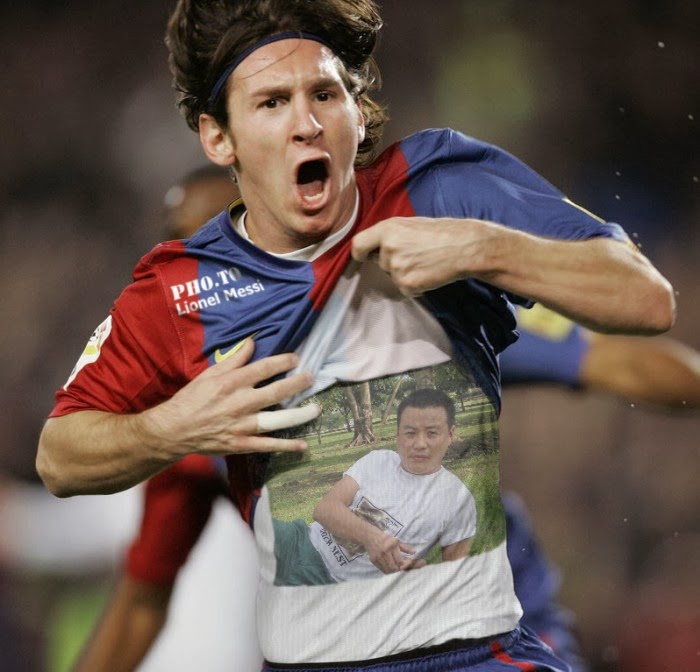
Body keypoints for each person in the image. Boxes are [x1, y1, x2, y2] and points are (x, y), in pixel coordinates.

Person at [36, 1, 676, 670]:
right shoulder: (180, 289)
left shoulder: (435, 190)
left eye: (325, 94)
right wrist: (170, 428)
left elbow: (645, 298)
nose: (307, 124)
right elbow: (60, 456)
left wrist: (482, 246)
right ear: (219, 138)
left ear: (357, 110)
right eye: (272, 103)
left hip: (476, 656)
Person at [273, 388, 477, 585]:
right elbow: (324, 510)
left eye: (432, 433)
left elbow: (454, 580)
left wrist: (421, 579)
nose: (420, 444)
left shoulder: (457, 500)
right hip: (299, 542)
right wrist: (371, 538)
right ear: (398, 435)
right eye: (410, 433)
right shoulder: (378, 460)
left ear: (450, 434)